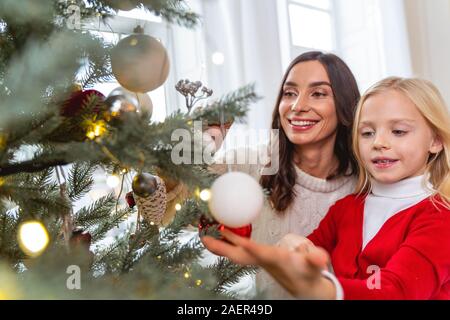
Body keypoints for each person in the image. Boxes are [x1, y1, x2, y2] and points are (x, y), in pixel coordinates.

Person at [202, 77, 450, 300]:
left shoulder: (441, 219)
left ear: (435, 141)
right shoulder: (346, 209)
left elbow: (397, 292)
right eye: (367, 133)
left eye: (398, 131)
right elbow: (305, 256)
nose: (379, 142)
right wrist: (282, 249)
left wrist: (321, 289)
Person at [208, 51, 360, 298]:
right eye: (289, 93)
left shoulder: (364, 185)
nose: (297, 106)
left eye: (318, 93)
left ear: (345, 106)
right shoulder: (249, 166)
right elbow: (173, 192)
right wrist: (203, 142)